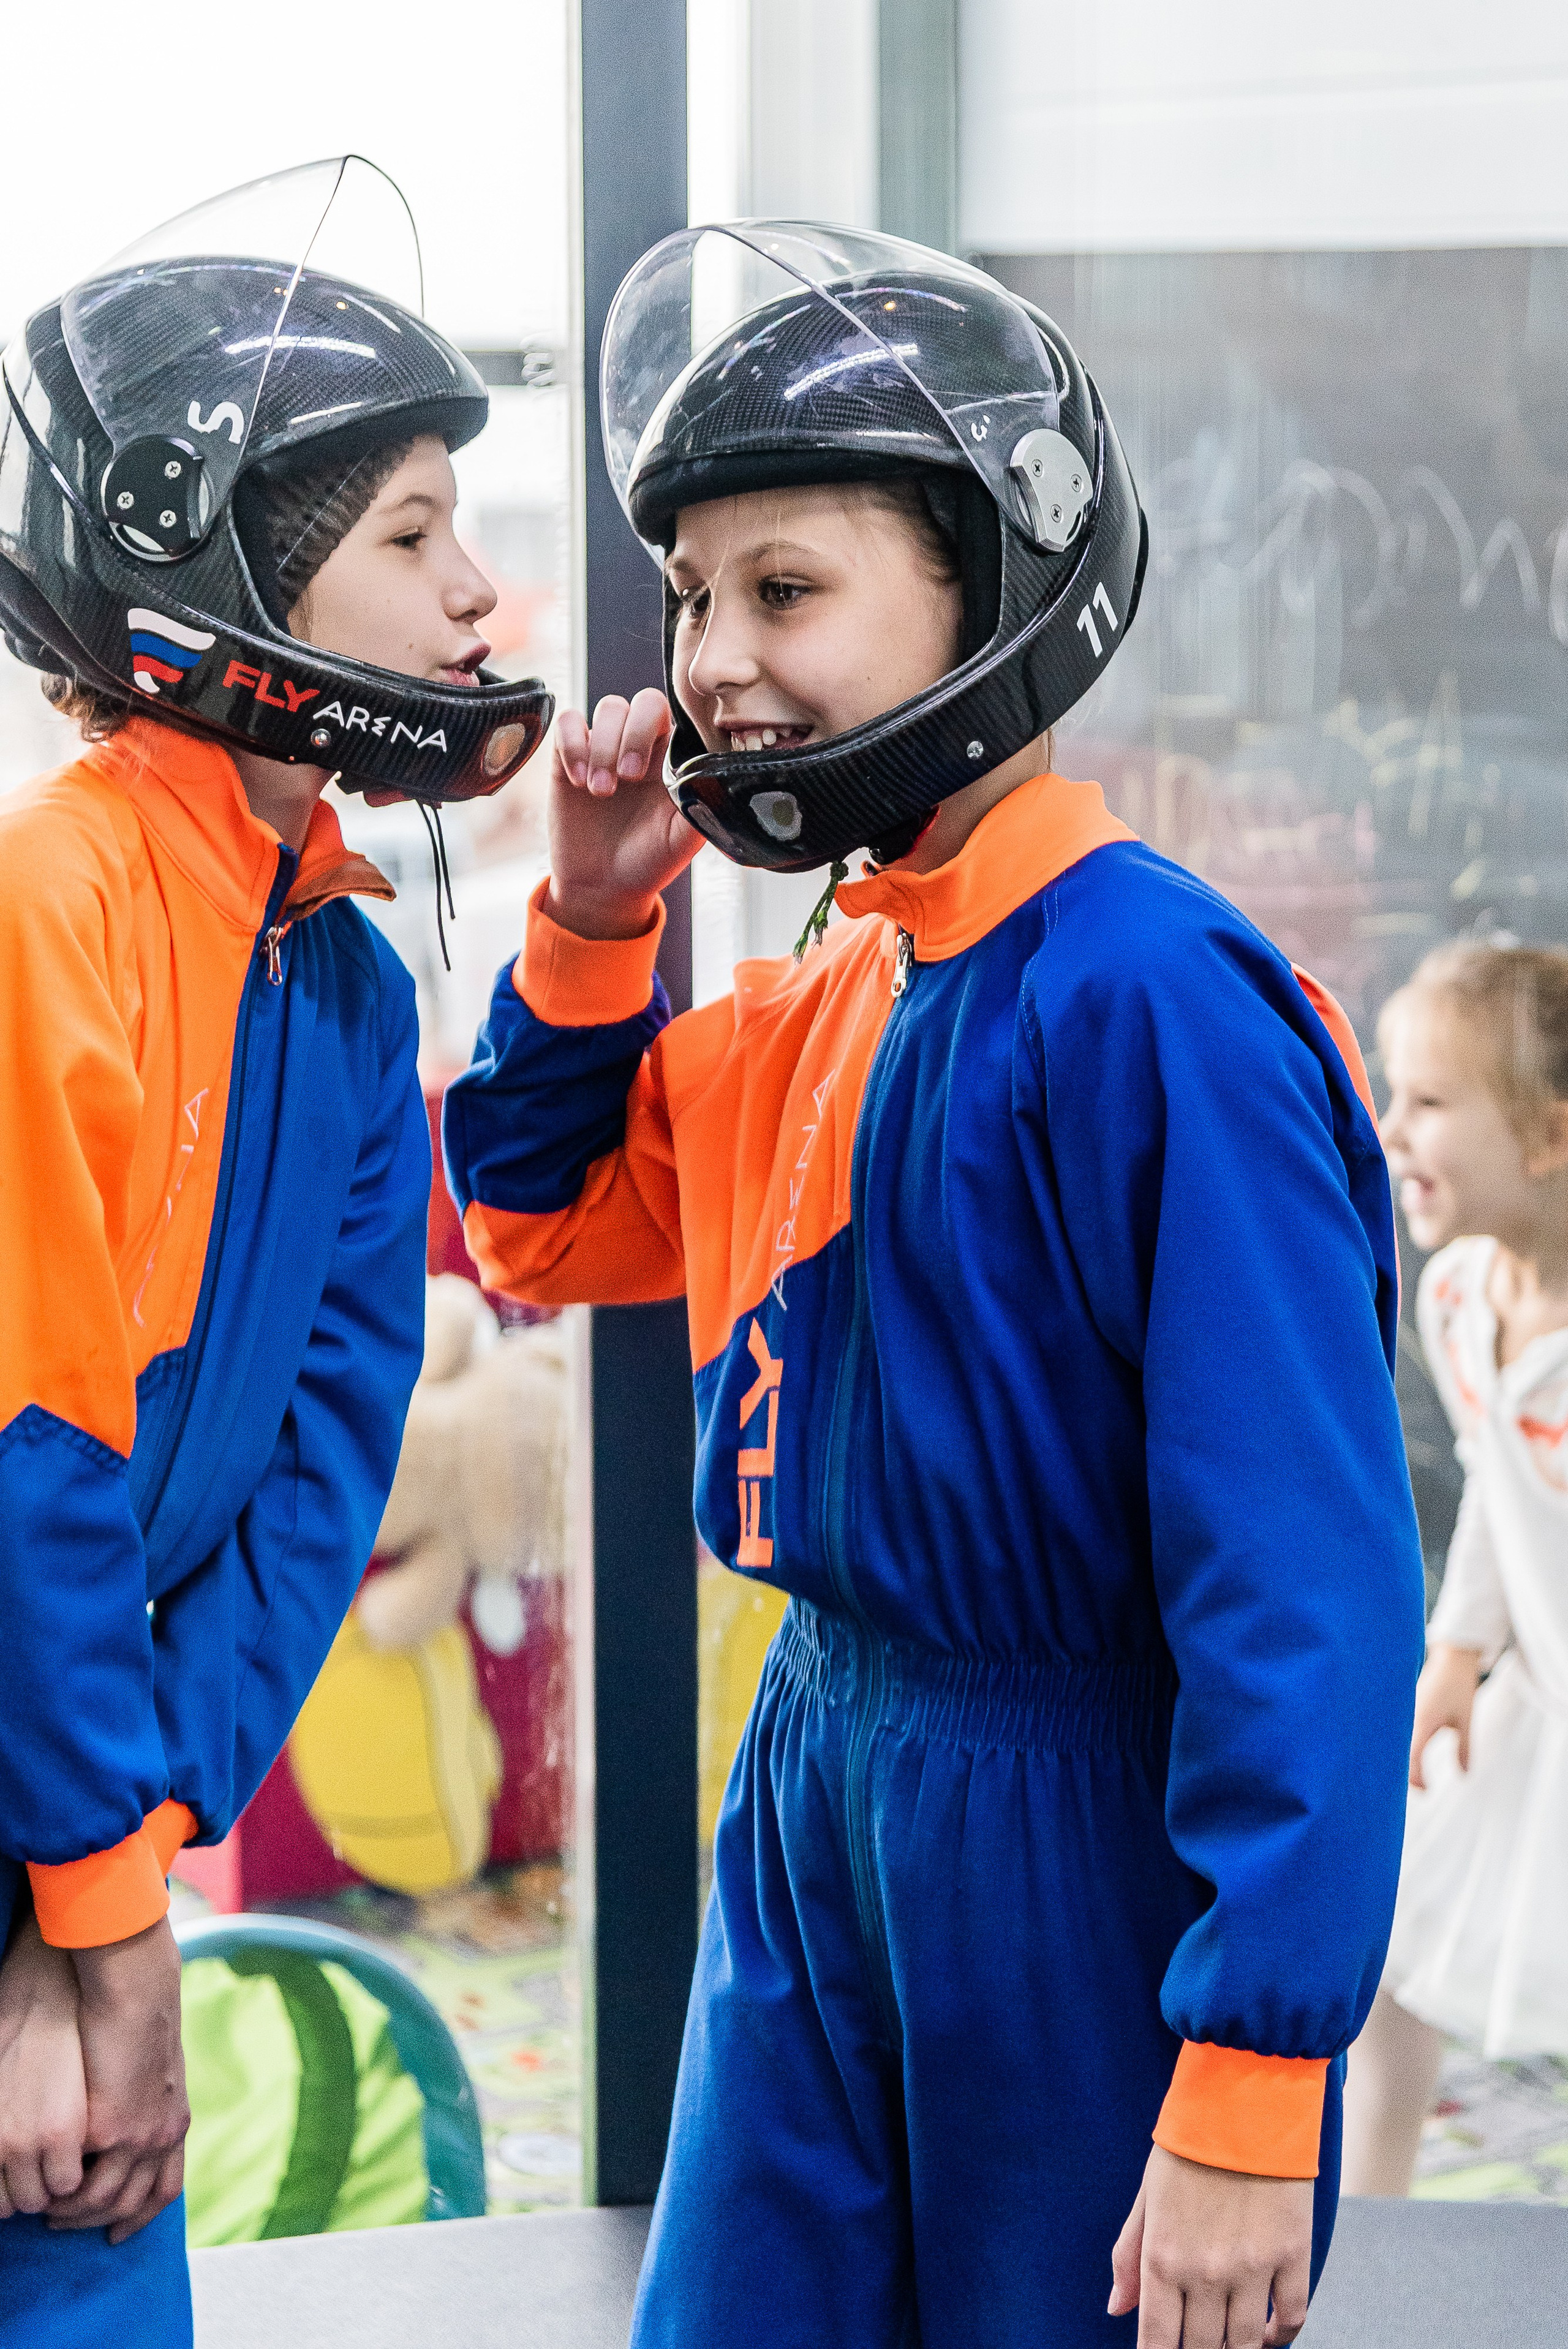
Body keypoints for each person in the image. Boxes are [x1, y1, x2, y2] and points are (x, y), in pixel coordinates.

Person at [443, 223, 1425, 2349]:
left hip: (1077, 1826)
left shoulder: (1158, 993)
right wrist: (595, 928)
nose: (712, 655)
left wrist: (1254, 2077)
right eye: (698, 595)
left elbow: (1307, 1579)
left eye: (785, 589)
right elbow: (545, 1221)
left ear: (993, 582)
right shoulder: (841, 966)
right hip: (821, 1770)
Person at [0, 158, 549, 2340]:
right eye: (414, 535)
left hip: (75, 1842)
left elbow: (327, 1460)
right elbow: (30, 1452)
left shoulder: (334, 968)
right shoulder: (52, 906)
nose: (480, 597)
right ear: (199, 558)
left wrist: (106, 1877)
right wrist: (101, 1929)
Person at [1343, 941, 1568, 2198]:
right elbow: (1497, 1479)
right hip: (1531, 1704)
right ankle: (1372, 2209)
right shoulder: (1463, 1298)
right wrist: (1454, 1651)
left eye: (1427, 1101)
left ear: (1541, 1137)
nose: (1390, 1128)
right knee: (1383, 1941)